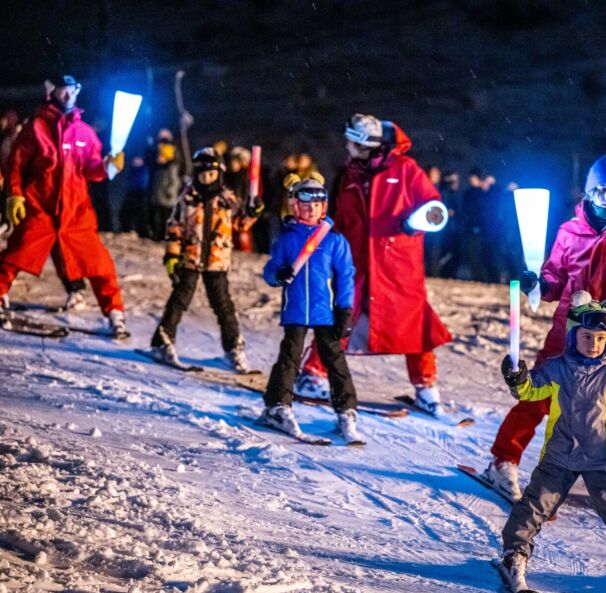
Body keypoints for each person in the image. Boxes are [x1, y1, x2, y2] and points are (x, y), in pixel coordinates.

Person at [488, 155, 606, 520]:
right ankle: (503, 460)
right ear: (588, 191)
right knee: (539, 391)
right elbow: (554, 279)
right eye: (599, 189)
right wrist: (537, 284)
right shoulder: (569, 232)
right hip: (569, 329)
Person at [498, 292, 606, 593]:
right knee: (533, 506)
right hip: (560, 455)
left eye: (600, 338)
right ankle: (514, 554)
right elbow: (531, 391)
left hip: (602, 459)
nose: (593, 344)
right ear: (573, 336)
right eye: (586, 336)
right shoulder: (559, 368)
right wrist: (517, 379)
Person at [295, 114, 452, 416]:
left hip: (398, 265)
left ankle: (427, 387)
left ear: (365, 144)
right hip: (356, 262)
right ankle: (314, 374)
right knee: (341, 315)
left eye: (352, 141)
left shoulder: (406, 169)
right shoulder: (350, 175)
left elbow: (434, 207)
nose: (347, 145)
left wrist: (414, 224)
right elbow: (342, 218)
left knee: (414, 322)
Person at [0, 74, 128, 338]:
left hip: (75, 213)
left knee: (100, 264)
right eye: (63, 91)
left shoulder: (85, 132)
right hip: (40, 208)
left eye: (72, 91)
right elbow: (16, 164)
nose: (69, 96)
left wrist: (107, 166)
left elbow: (92, 169)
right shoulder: (36, 127)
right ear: (52, 93)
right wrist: (15, 195)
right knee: (15, 255)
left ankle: (115, 312)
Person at [260, 173, 361, 444]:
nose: (311, 209)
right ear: (295, 206)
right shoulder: (287, 239)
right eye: (305, 205)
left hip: (326, 311)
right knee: (289, 357)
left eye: (316, 205)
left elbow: (346, 277)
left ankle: (346, 410)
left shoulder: (333, 240)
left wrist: (344, 310)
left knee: (334, 359)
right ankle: (277, 405)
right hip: (296, 309)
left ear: (324, 207)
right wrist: (277, 274)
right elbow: (270, 270)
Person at [150, 148, 261, 372]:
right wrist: (172, 255)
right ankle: (163, 340)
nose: (206, 179)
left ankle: (234, 347)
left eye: (211, 174)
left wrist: (252, 212)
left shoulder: (228, 200)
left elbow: (240, 225)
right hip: (189, 258)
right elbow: (175, 228)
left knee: (223, 305)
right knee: (180, 299)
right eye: (202, 175)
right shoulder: (188, 198)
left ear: (219, 174)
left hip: (217, 261)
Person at [147, 129, 182, 242]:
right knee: (157, 215)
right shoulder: (158, 166)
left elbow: (174, 179)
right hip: (158, 192)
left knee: (166, 216)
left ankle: (164, 235)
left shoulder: (172, 165)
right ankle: (158, 234)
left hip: (167, 194)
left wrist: (171, 191)